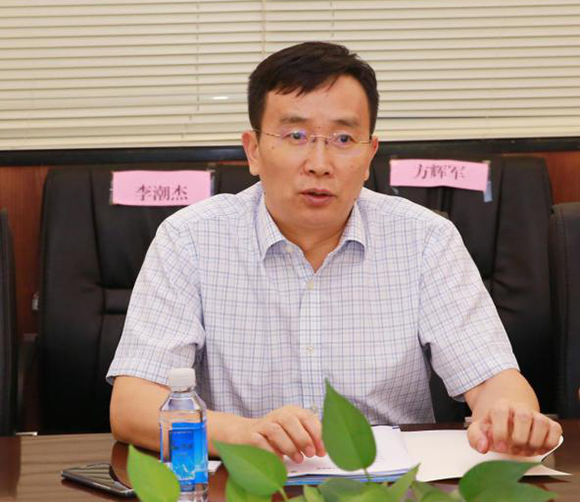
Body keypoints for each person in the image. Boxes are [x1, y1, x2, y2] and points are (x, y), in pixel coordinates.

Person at [107, 41, 562, 463]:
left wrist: (511, 416)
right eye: (295, 136)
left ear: (369, 155)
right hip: (248, 481)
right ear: (253, 150)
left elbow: (493, 379)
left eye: (343, 140)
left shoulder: (426, 239)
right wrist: (245, 434)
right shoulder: (190, 238)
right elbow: (132, 407)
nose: (320, 164)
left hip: (389, 486)